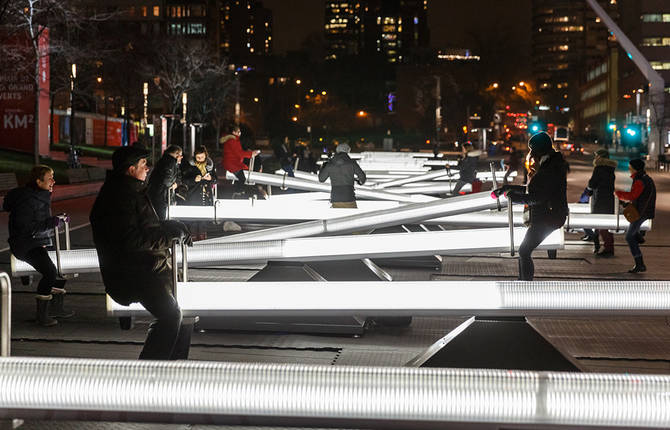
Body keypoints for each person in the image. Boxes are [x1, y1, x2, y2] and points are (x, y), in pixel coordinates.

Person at [90, 146, 194, 360]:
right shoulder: (119, 197)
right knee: (170, 316)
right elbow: (131, 240)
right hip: (134, 272)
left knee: (183, 314)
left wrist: (173, 226)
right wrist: (170, 236)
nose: (148, 168)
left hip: (146, 266)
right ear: (130, 169)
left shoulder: (130, 191)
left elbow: (147, 227)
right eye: (143, 164)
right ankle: (148, 375)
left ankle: (172, 368)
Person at [3, 165, 74, 327]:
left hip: (38, 242)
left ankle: (55, 308)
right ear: (38, 181)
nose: (53, 181)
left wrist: (58, 221)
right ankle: (41, 316)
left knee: (64, 269)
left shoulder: (41, 196)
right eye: (50, 178)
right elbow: (27, 228)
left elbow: (43, 224)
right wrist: (52, 222)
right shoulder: (27, 201)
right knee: (50, 272)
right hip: (25, 245)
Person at [493, 132, 568, 281]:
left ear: (540, 150)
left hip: (550, 216)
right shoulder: (549, 164)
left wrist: (514, 198)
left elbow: (538, 197)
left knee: (524, 251)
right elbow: (532, 189)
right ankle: (524, 282)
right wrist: (508, 188)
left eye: (533, 150)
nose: (531, 154)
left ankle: (525, 285)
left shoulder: (550, 169)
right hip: (547, 214)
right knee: (524, 251)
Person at [615, 158, 656, 273]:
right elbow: (638, 196)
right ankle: (638, 236)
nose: (629, 168)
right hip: (643, 210)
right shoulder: (644, 179)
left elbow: (633, 195)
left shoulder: (640, 180)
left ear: (634, 168)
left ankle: (640, 263)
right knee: (632, 234)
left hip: (641, 212)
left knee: (629, 237)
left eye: (630, 167)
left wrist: (618, 193)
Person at [585, 149, 618, 257]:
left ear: (600, 157)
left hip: (600, 199)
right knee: (605, 225)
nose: (595, 158)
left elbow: (593, 182)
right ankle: (607, 246)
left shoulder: (599, 168)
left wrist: (588, 190)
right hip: (608, 198)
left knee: (600, 225)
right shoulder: (610, 169)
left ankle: (606, 248)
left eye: (596, 156)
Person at [181, 146, 217, 240]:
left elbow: (215, 179)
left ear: (206, 156)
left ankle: (202, 242)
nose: (200, 159)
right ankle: (193, 242)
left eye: (202, 157)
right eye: (198, 158)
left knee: (203, 221)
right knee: (193, 220)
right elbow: (184, 180)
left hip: (206, 196)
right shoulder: (189, 166)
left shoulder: (210, 165)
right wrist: (194, 179)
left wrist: (211, 179)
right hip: (193, 196)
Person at [318, 143, 366, 208]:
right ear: (347, 151)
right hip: (349, 197)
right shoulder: (352, 163)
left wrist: (323, 166)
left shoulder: (330, 164)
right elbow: (362, 178)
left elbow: (321, 179)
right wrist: (358, 181)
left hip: (335, 198)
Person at [147, 145, 183, 221]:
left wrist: (176, 183)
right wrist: (174, 184)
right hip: (162, 196)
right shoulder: (170, 162)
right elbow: (167, 181)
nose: (182, 157)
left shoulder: (168, 161)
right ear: (176, 154)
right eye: (180, 155)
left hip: (160, 195)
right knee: (162, 219)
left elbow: (178, 176)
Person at [221, 125, 260, 195]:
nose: (240, 133)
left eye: (240, 132)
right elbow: (239, 153)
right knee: (242, 178)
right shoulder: (232, 140)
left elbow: (238, 152)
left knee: (241, 177)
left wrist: (250, 153)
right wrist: (251, 154)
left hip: (233, 162)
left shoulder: (234, 140)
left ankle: (238, 191)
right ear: (233, 132)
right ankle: (237, 192)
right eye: (238, 132)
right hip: (232, 163)